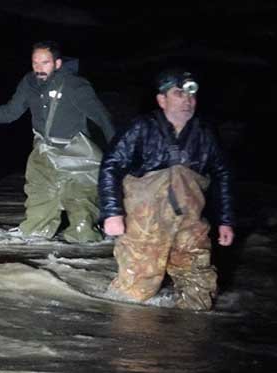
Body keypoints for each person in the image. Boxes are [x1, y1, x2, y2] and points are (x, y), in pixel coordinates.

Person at [97, 68, 235, 311]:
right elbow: (111, 166)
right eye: (179, 93)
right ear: (162, 100)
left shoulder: (205, 133)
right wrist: (112, 213)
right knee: (134, 294)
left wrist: (225, 221)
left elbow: (222, 174)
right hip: (145, 226)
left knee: (199, 293)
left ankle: (189, 340)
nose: (187, 100)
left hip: (189, 224)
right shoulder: (141, 128)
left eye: (191, 95)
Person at [0, 41, 115, 243]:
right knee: (38, 202)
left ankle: (90, 242)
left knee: (82, 216)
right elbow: (10, 112)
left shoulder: (75, 85)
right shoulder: (29, 83)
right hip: (44, 153)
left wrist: (116, 153)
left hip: (77, 155)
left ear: (57, 63)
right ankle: (35, 237)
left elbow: (103, 118)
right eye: (35, 63)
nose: (39, 68)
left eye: (45, 63)